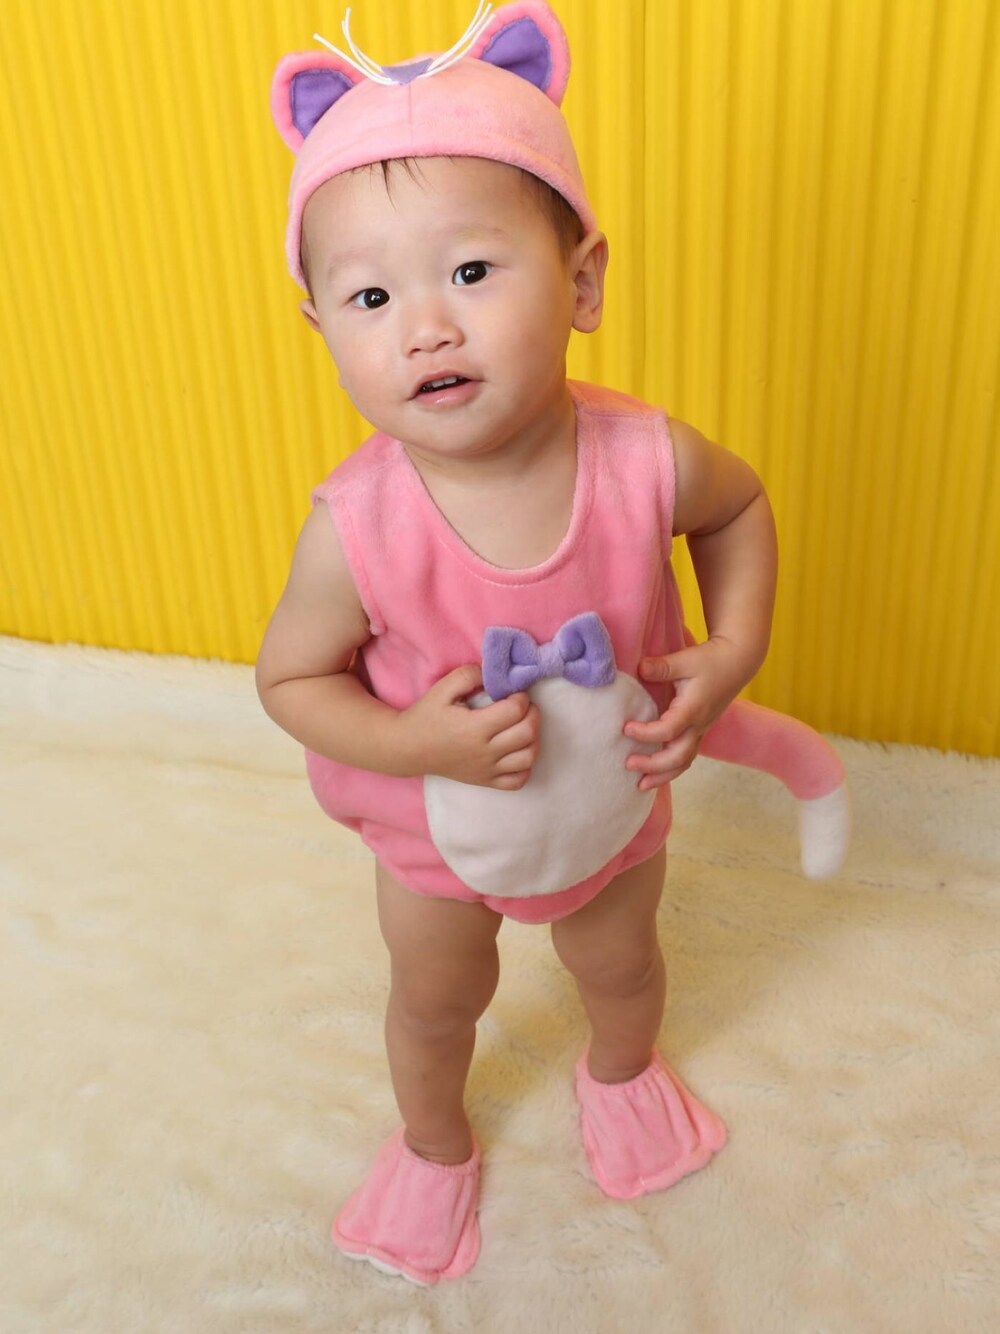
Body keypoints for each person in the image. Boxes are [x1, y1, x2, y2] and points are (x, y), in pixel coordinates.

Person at [258, 1, 846, 1286]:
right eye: (371, 296)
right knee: (434, 1001)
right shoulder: (357, 526)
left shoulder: (644, 458)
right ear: (324, 330)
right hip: (437, 834)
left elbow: (738, 507)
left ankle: (621, 1075)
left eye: (472, 272)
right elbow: (290, 678)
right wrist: (410, 740)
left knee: (622, 964)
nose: (425, 325)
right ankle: (431, 1142)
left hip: (608, 805)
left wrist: (733, 647)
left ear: (581, 280)